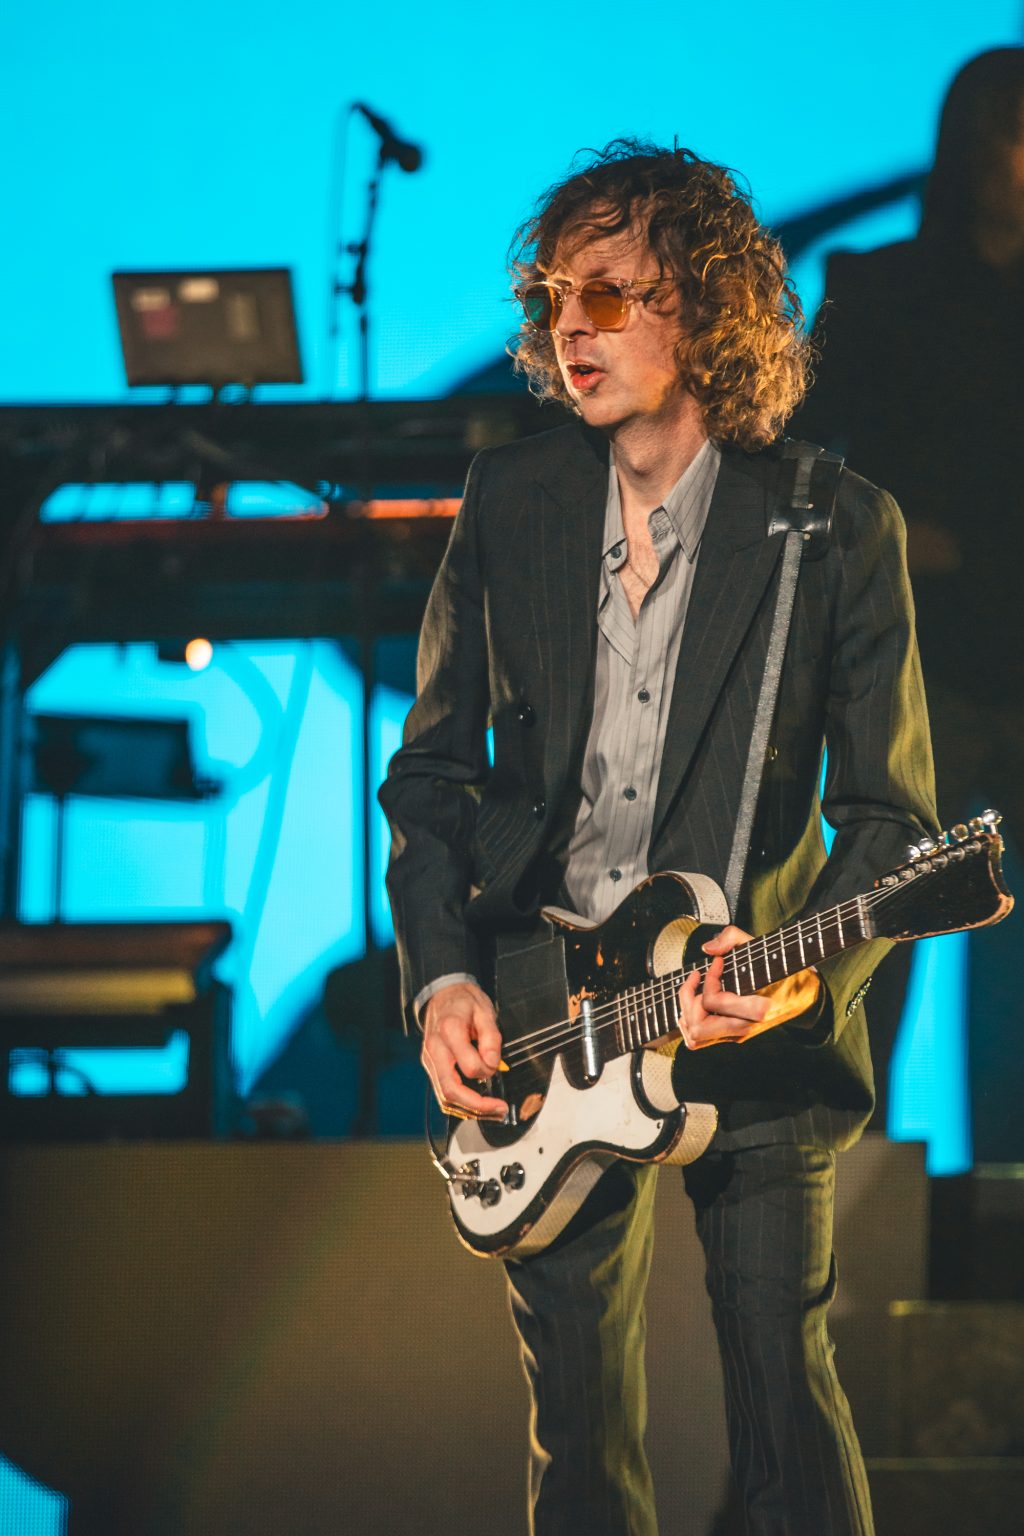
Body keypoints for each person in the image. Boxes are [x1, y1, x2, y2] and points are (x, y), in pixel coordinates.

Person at [379, 140, 937, 1536]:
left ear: (705, 309)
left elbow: (891, 822)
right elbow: (433, 774)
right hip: (545, 1023)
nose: (573, 322)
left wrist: (794, 975)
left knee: (782, 1410)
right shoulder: (511, 502)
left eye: (615, 293)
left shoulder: (833, 525)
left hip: (746, 1025)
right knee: (577, 1439)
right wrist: (444, 976)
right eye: (557, 292)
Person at [794, 47, 1024, 1127]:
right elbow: (788, 452)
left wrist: (963, 547)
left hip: (996, 650)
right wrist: (879, 536)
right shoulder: (873, 287)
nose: (1005, 158)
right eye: (993, 134)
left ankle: (996, 1227)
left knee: (1008, 974)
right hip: (909, 672)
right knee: (867, 947)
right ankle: (848, 1201)